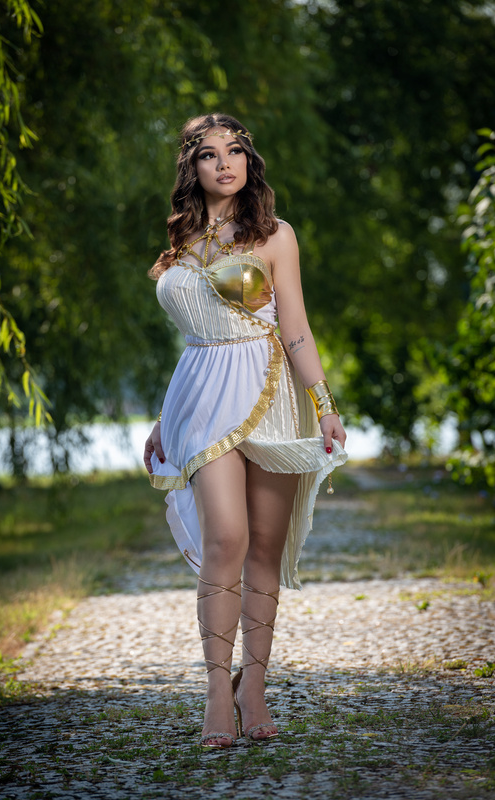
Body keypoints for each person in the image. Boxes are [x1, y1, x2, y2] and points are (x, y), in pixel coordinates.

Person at [144, 113, 347, 749]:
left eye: (234, 151)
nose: (224, 162)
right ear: (192, 167)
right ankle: (215, 694)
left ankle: (251, 688)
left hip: (270, 390)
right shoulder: (179, 239)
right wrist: (164, 416)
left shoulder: (274, 235)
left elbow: (295, 329)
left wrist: (324, 403)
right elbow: (194, 338)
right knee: (225, 537)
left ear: (249, 161)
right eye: (209, 154)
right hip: (200, 398)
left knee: (263, 547)